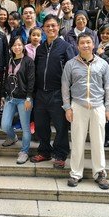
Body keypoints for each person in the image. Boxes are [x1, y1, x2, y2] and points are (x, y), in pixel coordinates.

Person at [62, 32, 109, 190]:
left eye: (88, 42)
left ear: (93, 45)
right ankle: (76, 173)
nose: (85, 45)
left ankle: (99, 173)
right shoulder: (70, 64)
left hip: (98, 106)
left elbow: (108, 87)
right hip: (78, 105)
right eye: (82, 43)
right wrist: (67, 107)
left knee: (98, 141)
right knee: (77, 141)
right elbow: (65, 87)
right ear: (77, 45)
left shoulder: (103, 64)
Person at [30, 15, 75, 167]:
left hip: (58, 93)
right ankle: (44, 151)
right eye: (47, 26)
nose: (50, 28)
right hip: (41, 93)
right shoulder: (41, 48)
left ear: (58, 27)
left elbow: (72, 71)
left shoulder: (66, 47)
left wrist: (69, 95)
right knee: (41, 125)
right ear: (43, 29)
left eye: (53, 25)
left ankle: (61, 154)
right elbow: (36, 70)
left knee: (60, 126)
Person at [1, 36, 35, 164]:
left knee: (25, 128)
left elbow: (31, 81)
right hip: (10, 98)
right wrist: (4, 95)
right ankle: (12, 137)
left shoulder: (28, 61)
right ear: (11, 47)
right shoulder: (9, 61)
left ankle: (24, 151)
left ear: (23, 46)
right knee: (5, 125)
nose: (17, 47)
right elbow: (6, 78)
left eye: (19, 45)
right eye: (14, 45)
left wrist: (28, 97)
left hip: (23, 99)